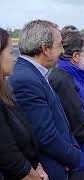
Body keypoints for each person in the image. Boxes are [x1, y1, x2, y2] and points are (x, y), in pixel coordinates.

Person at [9, 20, 82, 180]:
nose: (63, 51)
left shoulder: (34, 73)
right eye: (59, 45)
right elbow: (45, 135)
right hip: (49, 168)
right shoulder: (26, 79)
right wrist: (74, 157)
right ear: (45, 49)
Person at [48, 30, 84, 180]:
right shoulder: (64, 80)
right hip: (79, 158)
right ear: (75, 56)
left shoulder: (77, 75)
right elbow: (77, 124)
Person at [0, 27, 48, 180]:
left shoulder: (6, 90)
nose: (15, 58)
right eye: (11, 52)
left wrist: (36, 165)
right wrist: (32, 174)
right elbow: (7, 151)